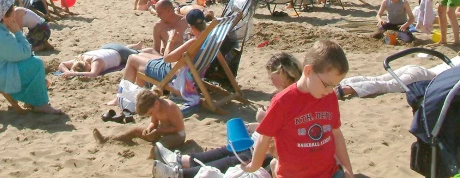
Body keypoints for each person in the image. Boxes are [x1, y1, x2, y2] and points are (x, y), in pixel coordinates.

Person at [153, 52, 303, 177]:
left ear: (282, 74)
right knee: (232, 149)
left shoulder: (293, 98)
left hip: (277, 153)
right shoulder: (285, 94)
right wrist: (253, 127)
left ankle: (179, 173)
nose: (270, 81)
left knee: (242, 157)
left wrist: (263, 120)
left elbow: (290, 131)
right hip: (265, 143)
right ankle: (181, 161)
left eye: (272, 77)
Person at [241, 39, 353, 178]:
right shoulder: (283, 101)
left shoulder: (329, 98)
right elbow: (264, 138)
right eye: (327, 84)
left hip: (329, 173)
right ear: (309, 71)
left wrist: (347, 168)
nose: (331, 90)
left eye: (334, 86)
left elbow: (336, 133)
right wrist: (254, 165)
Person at [0, 0, 61, 114]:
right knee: (36, 64)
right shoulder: (1, 36)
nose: (15, 15)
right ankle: (41, 104)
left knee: (32, 61)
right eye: (13, 13)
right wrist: (17, 32)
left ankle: (32, 100)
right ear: (6, 17)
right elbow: (25, 53)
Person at [119, 8, 209, 87]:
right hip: (192, 71)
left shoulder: (194, 41)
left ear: (190, 25)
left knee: (132, 59)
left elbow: (167, 58)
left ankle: (121, 94)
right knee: (142, 54)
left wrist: (171, 40)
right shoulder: (208, 36)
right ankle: (136, 93)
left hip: (173, 73)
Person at [94, 88, 186, 149]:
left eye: (150, 113)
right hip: (161, 132)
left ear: (156, 103)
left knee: (159, 145)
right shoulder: (155, 108)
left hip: (177, 136)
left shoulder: (170, 108)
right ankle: (108, 139)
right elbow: (154, 122)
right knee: (134, 130)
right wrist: (149, 129)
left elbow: (178, 128)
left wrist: (159, 131)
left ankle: (152, 158)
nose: (151, 114)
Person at [337, 54, 460, 99]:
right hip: (424, 77)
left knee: (379, 78)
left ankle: (343, 82)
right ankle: (347, 89)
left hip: (418, 69)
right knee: (386, 86)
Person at [58, 42, 143, 78]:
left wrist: (72, 73)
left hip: (120, 53)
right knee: (126, 49)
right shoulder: (79, 59)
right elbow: (62, 64)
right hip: (108, 47)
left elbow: (93, 74)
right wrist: (66, 72)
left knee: (139, 54)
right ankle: (135, 46)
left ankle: (137, 48)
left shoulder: (96, 61)